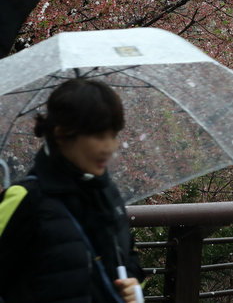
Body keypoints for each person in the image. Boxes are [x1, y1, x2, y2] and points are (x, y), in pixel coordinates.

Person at [0, 78, 144, 302]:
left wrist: (134, 286)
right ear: (62, 134)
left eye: (114, 135)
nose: (110, 147)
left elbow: (128, 257)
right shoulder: (26, 198)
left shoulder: (108, 194)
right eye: (99, 136)